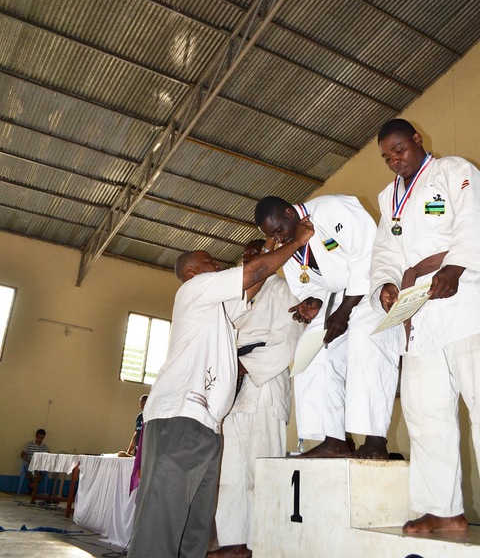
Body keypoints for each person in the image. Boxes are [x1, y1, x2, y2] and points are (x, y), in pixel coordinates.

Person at [127, 216, 314, 558]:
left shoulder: (220, 307)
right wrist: (296, 243)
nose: (218, 264)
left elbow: (253, 284)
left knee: (194, 525)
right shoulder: (194, 291)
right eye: (209, 262)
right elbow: (253, 275)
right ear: (192, 273)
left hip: (207, 424)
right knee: (163, 520)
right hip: (179, 418)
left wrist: (271, 247)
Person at [370, 118, 480, 534]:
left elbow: (473, 219)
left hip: (464, 298)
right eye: (386, 157)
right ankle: (443, 509)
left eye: (399, 149)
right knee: (424, 412)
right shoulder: (389, 198)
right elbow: (384, 251)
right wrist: (385, 283)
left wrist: (454, 266)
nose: (394, 160)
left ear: (417, 140)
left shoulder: (454, 171)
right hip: (418, 312)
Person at [255, 195, 399, 459]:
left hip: (371, 285)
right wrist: (312, 301)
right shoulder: (288, 246)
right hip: (337, 298)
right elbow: (309, 285)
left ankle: (375, 441)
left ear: (289, 212)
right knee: (311, 355)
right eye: (272, 236)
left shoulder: (332, 209)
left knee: (366, 344)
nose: (278, 239)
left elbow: (367, 254)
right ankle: (333, 439)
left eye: (279, 231)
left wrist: (343, 312)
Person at [208, 239, 302, 558]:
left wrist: (243, 366)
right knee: (231, 472)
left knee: (261, 470)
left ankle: (261, 543)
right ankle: (234, 542)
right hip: (232, 389)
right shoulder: (236, 299)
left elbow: (287, 341)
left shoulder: (283, 291)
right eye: (245, 256)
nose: (248, 260)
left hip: (263, 385)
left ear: (269, 258)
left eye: (256, 254)